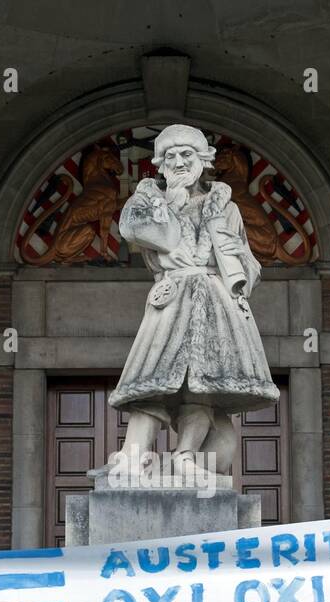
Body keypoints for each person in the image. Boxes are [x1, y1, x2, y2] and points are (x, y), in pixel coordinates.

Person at [100, 123, 279, 481]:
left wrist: (232, 263)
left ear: (203, 160)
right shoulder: (148, 200)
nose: (179, 162)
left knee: (203, 383)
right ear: (160, 164)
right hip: (171, 297)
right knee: (153, 375)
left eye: (187, 155)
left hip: (214, 300)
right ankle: (132, 458)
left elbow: (248, 263)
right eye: (170, 156)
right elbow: (145, 234)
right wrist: (174, 201)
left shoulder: (225, 207)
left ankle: (186, 455)